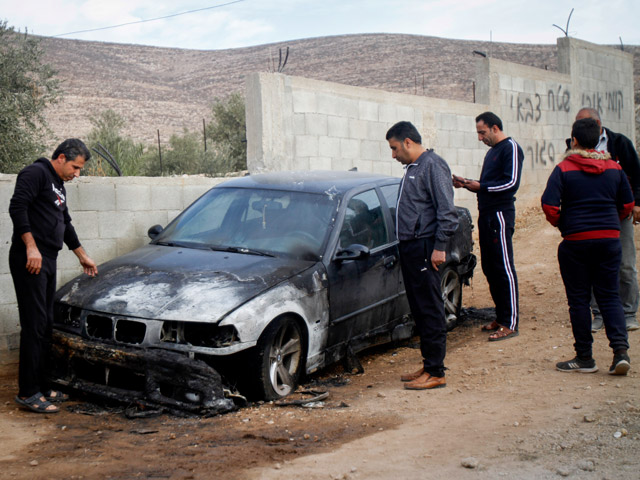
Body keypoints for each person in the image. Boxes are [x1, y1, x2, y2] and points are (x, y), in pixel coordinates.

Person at [9, 138, 98, 414]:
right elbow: (17, 207)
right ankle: (28, 392)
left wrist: (81, 254)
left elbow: (65, 221)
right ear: (60, 157)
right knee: (34, 325)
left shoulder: (58, 183)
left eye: (80, 169)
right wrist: (30, 246)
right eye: (75, 167)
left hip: (48, 258)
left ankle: (43, 386)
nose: (77, 174)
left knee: (46, 324)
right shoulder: (35, 173)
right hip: (30, 259)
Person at [542, 118, 632, 375]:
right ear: (600, 138)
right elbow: (627, 204)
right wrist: (611, 222)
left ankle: (585, 358)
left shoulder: (564, 168)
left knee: (579, 300)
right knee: (610, 296)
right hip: (609, 242)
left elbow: (549, 205)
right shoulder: (615, 167)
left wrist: (563, 224)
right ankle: (620, 352)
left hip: (576, 243)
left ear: (575, 141)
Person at [386, 121, 459, 390]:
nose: (393, 155)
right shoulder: (413, 168)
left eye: (394, 148)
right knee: (419, 307)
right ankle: (429, 363)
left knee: (430, 307)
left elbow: (447, 211)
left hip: (426, 246)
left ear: (408, 142)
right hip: (410, 248)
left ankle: (436, 372)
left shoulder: (433, 165)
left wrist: (440, 246)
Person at [453, 112, 523, 341]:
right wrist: (466, 184)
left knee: (504, 268)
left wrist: (481, 186)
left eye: (482, 132)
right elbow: (488, 184)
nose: (480, 138)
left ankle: (510, 322)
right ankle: (501, 316)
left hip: (500, 215)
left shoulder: (511, 148)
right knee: (491, 268)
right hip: (486, 215)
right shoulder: (493, 152)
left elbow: (511, 183)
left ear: (495, 128)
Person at [568, 108, 640, 332]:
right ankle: (598, 313)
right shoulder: (573, 147)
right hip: (589, 217)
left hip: (618, 214)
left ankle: (628, 313)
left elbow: (636, 174)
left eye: (584, 123)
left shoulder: (620, 143)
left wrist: (635, 204)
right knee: (592, 266)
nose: (578, 128)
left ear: (598, 124)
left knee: (625, 264)